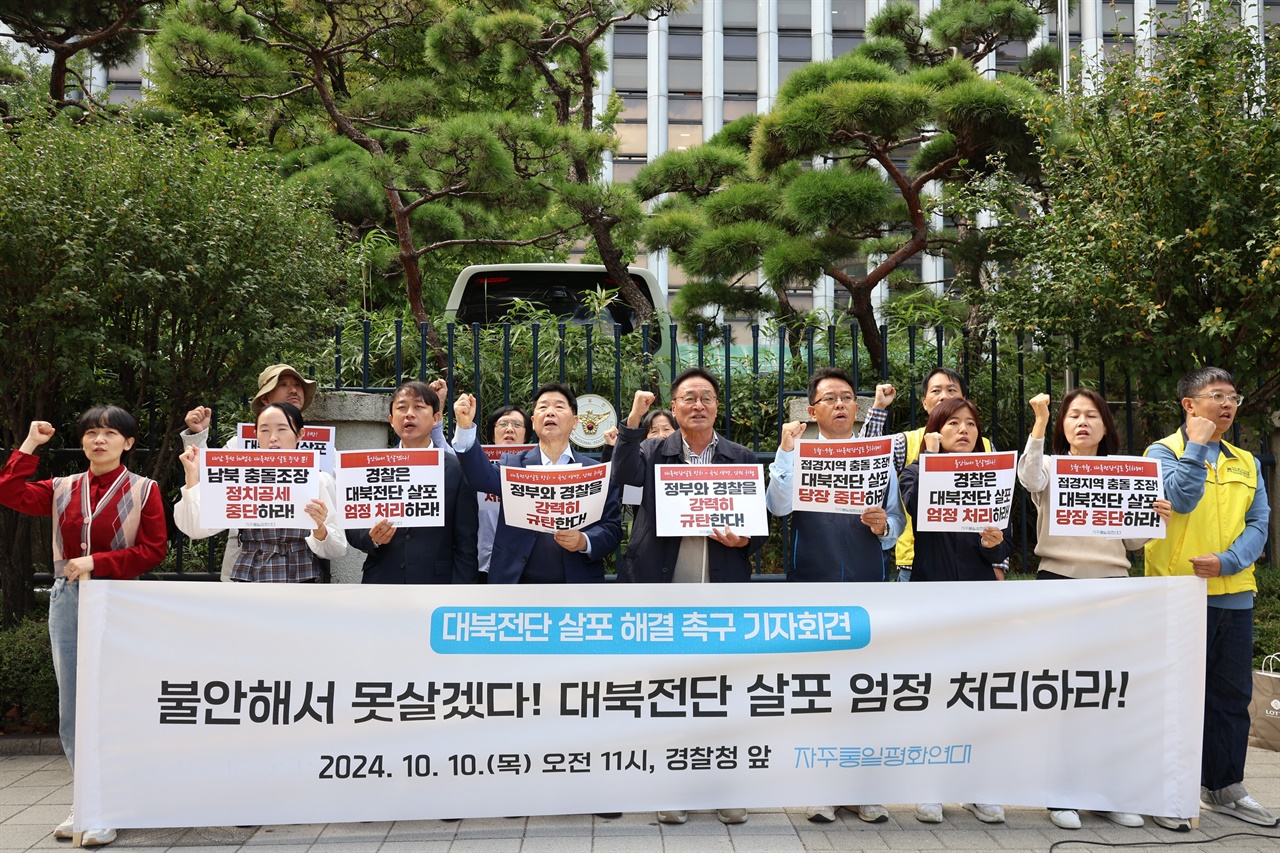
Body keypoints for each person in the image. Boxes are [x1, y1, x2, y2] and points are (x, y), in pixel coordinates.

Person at [0, 408, 168, 847]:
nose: (99, 440)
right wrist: (31, 444)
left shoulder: (144, 489)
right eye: (92, 433)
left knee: (116, 699)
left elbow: (154, 550)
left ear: (128, 443)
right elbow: (8, 490)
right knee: (73, 702)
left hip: (121, 599)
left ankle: (113, 802)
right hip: (69, 599)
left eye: (110, 433)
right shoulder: (62, 489)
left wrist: (99, 561)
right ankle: (87, 802)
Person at [611, 368, 766, 826]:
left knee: (722, 692)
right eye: (688, 398)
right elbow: (622, 477)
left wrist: (745, 542)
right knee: (667, 692)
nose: (698, 404)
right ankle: (671, 788)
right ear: (674, 408)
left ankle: (724, 788)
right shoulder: (652, 450)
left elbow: (757, 525)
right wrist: (635, 418)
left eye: (707, 397)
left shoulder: (739, 456)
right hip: (662, 589)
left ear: (717, 405)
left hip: (721, 590)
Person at [1019, 390, 1172, 830]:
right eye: (1073, 416)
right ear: (1062, 426)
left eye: (1091, 416)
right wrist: (1039, 422)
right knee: (1065, 692)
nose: (1082, 422)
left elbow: (1134, 543)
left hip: (1112, 588)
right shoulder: (1049, 466)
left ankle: (1107, 792)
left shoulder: (1128, 473)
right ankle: (1060, 792)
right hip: (1059, 585)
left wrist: (1155, 517)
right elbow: (1029, 478)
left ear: (1106, 426)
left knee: (1108, 692)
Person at [766, 367, 903, 825]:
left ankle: (864, 790)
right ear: (813, 410)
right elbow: (778, 506)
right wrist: (786, 453)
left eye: (848, 397)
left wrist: (884, 527)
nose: (841, 404)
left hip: (867, 584)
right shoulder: (799, 452)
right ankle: (820, 789)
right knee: (819, 691)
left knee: (865, 692)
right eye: (830, 398)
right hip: (813, 583)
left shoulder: (875, 456)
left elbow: (896, 522)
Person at [1143, 367, 1277, 831]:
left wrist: (1228, 561)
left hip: (1234, 592)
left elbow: (1260, 524)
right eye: (1216, 396)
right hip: (1177, 591)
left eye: (1233, 397)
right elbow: (1178, 500)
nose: (1228, 405)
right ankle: (1167, 790)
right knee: (1176, 696)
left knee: (1231, 695)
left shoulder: (1247, 461)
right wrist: (1196, 446)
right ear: (1190, 405)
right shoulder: (1162, 452)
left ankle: (1224, 787)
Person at [899, 396, 1010, 825]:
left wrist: (992, 545)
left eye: (970, 424)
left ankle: (977, 787)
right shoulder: (915, 470)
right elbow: (913, 508)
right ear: (935, 431)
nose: (963, 430)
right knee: (933, 692)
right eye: (953, 424)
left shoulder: (993, 477)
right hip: (932, 598)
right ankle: (930, 786)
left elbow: (1004, 544)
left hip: (979, 600)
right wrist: (928, 459)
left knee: (976, 692)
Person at [452, 383, 621, 584]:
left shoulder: (594, 471)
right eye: (542, 407)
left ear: (575, 421)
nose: (550, 412)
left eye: (559, 407)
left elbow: (612, 528)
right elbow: (480, 477)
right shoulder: (513, 464)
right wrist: (464, 428)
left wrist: (585, 541)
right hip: (516, 585)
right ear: (533, 422)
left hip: (577, 586)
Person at [175, 401, 346, 581]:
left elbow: (338, 548)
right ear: (255, 435)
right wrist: (192, 478)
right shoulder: (237, 479)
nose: (273, 437)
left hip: (302, 576)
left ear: (300, 434)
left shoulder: (319, 480)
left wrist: (320, 529)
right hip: (249, 575)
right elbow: (195, 529)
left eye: (282, 429)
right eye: (264, 430)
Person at [182, 363, 319, 580]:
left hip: (305, 562)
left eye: (297, 385)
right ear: (265, 398)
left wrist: (325, 532)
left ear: (301, 434)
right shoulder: (240, 445)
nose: (293, 390)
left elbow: (334, 506)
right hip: (248, 561)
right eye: (283, 385)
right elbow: (209, 484)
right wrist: (198, 437)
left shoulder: (324, 448)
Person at [860, 368, 997, 582]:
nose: (944, 396)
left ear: (964, 399)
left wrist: (998, 561)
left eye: (952, 390)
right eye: (936, 391)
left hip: (977, 562)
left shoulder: (986, 447)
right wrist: (879, 407)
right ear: (925, 403)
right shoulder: (906, 442)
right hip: (916, 561)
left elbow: (999, 509)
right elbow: (867, 460)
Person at [350, 382, 479, 584]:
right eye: (402, 407)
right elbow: (352, 527)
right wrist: (372, 538)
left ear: (436, 418)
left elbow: (466, 542)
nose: (409, 414)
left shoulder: (455, 469)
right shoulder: (371, 466)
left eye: (418, 407)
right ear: (391, 420)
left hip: (437, 584)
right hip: (382, 581)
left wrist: (461, 591)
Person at [474, 404, 533, 581]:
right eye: (503, 424)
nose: (509, 429)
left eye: (516, 424)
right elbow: (448, 456)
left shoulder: (539, 467)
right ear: (492, 434)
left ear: (526, 434)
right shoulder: (475, 463)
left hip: (523, 565)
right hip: (481, 561)